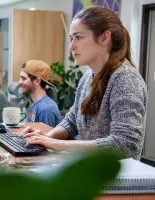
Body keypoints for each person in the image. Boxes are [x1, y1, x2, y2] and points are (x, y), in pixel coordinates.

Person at [21, 7, 147, 160]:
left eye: (78, 37)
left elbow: (125, 144)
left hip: (115, 179)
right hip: (91, 170)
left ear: (104, 38)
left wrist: (57, 144)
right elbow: (72, 121)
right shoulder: (87, 77)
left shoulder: (126, 79)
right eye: (71, 38)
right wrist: (44, 138)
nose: (72, 46)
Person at [18, 60, 62, 127]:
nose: (19, 82)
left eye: (24, 78)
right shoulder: (34, 105)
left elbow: (43, 136)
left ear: (37, 81)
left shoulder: (46, 110)